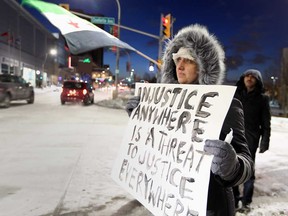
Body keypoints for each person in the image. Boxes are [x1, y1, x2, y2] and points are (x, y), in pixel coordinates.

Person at [126, 24, 254, 216]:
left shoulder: (225, 104)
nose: (180, 65)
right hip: (169, 202)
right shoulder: (165, 103)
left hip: (209, 205)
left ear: (203, 66)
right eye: (177, 59)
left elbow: (247, 164)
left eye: (188, 60)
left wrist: (233, 166)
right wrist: (142, 117)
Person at [233, 69, 271, 213]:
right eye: (247, 76)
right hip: (234, 138)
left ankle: (246, 202)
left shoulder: (262, 99)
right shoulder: (236, 95)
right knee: (233, 170)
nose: (249, 78)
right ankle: (235, 199)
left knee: (248, 172)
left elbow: (266, 124)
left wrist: (264, 142)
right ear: (243, 78)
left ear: (257, 80)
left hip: (251, 141)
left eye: (253, 77)